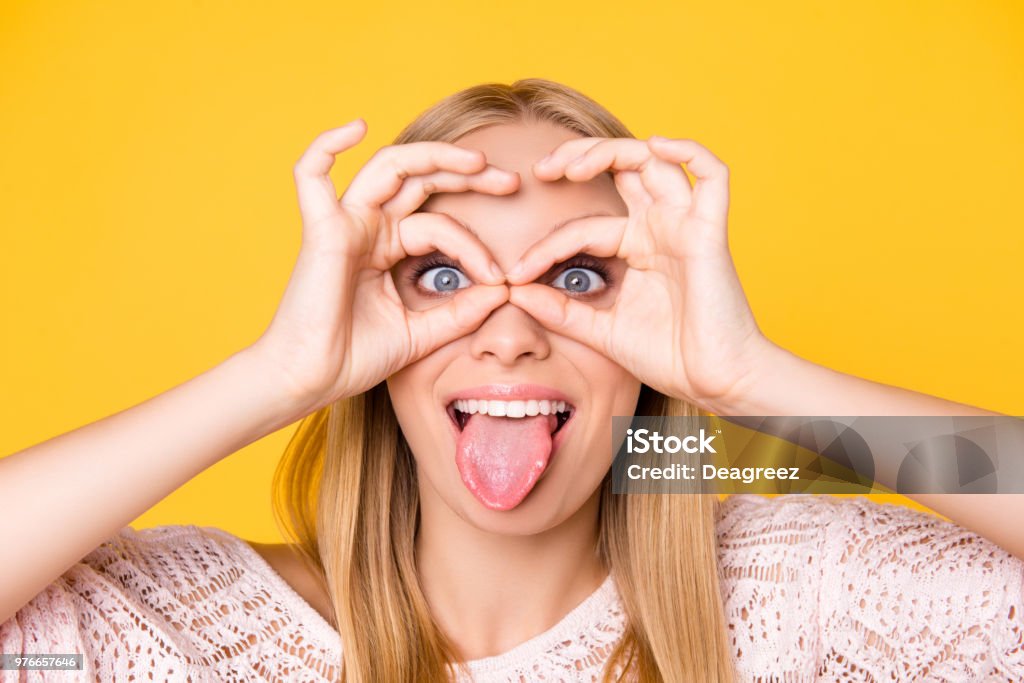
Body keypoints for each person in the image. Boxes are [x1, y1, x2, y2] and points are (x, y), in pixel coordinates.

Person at [1, 78, 1022, 682]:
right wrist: (275, 376)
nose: (509, 332)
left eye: (576, 275)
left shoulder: (807, 599)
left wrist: (753, 381)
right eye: (441, 275)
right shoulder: (178, 629)